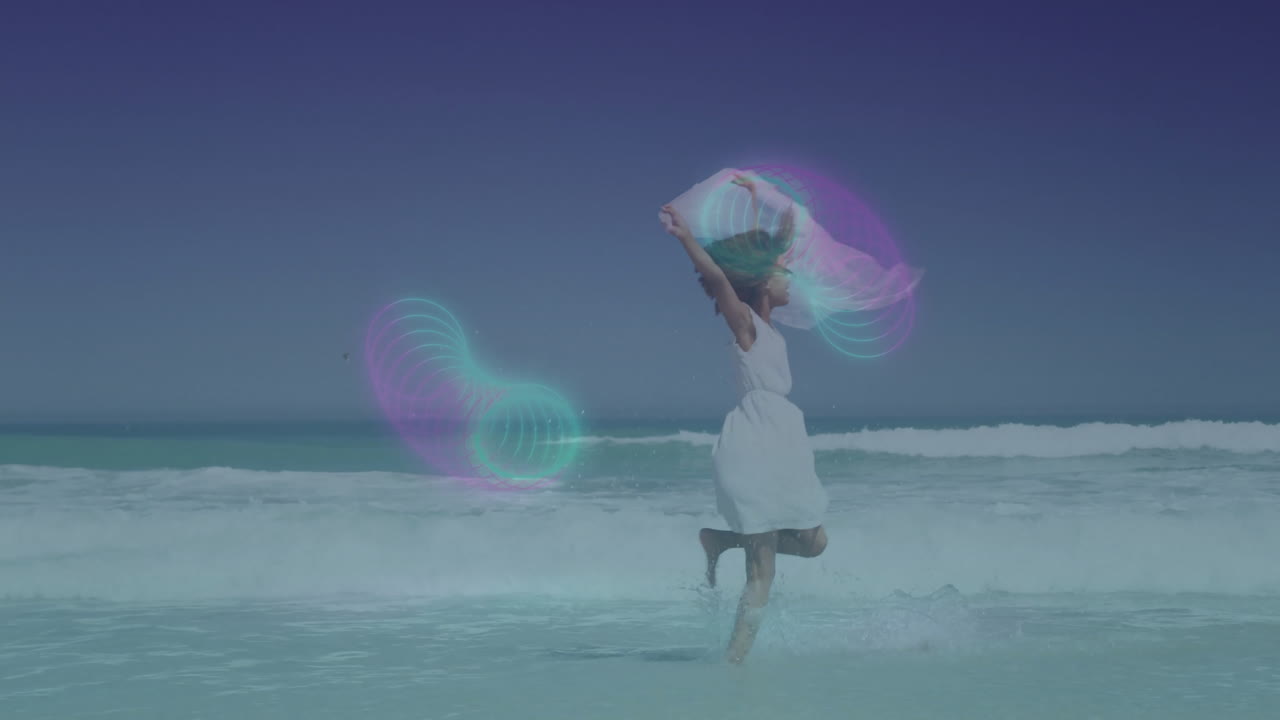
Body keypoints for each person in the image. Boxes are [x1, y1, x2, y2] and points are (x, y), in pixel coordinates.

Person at [660, 173, 829, 664]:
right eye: (781, 274)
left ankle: (720, 541)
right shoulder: (746, 327)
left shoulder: (768, 330)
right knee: (764, 573)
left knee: (815, 542)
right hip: (754, 448)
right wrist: (688, 238)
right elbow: (718, 278)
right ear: (760, 284)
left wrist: (758, 205)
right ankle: (735, 671)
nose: (788, 277)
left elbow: (770, 253)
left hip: (782, 447)